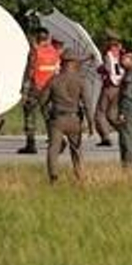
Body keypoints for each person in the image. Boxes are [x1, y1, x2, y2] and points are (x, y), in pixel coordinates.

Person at [45, 51, 92, 183]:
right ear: (73, 63)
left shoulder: (54, 80)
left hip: (57, 120)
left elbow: (43, 101)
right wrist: (91, 124)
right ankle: (80, 176)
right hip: (75, 119)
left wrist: (48, 116)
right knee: (76, 150)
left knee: (53, 149)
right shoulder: (80, 81)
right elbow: (88, 104)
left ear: (62, 63)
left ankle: (53, 177)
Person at [19, 26, 61, 155]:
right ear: (47, 38)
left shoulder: (34, 52)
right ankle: (58, 141)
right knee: (49, 116)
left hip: (35, 88)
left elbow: (30, 71)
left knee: (30, 115)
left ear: (36, 38)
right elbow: (57, 70)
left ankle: (30, 144)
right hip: (50, 88)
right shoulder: (54, 52)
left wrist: (24, 91)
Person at [94, 32, 123, 147]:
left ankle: (105, 136)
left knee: (100, 113)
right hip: (119, 87)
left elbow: (106, 69)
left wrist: (99, 68)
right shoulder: (121, 53)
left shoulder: (108, 54)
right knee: (111, 115)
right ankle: (124, 132)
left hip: (109, 87)